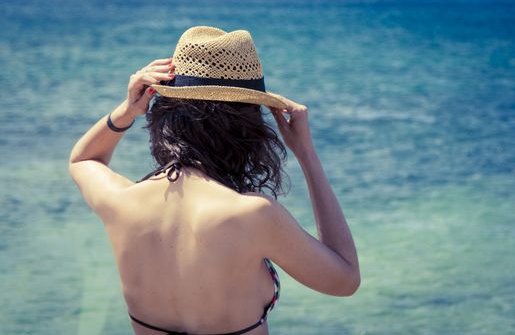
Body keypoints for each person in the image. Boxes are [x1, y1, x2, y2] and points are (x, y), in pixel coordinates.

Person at [69, 26, 360, 335]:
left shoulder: (122, 202)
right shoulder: (253, 215)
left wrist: (127, 110)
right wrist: (307, 155)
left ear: (164, 112)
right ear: (245, 128)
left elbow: (83, 160)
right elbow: (345, 279)